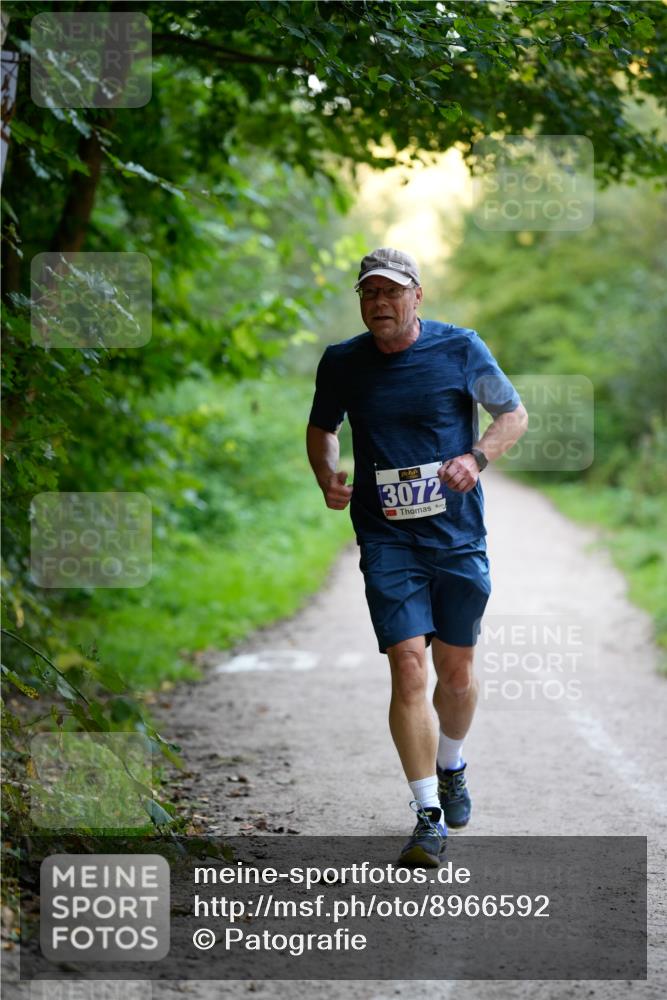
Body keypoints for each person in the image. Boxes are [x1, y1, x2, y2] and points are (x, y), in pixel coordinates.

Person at [306, 247, 528, 866]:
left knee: (455, 674)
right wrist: (326, 474)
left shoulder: (460, 348)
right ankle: (427, 814)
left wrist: (476, 458)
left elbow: (512, 415)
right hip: (386, 536)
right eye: (369, 293)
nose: (380, 303)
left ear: (417, 296)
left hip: (456, 535)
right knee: (408, 666)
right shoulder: (342, 361)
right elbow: (322, 427)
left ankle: (451, 764)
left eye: (392, 292)